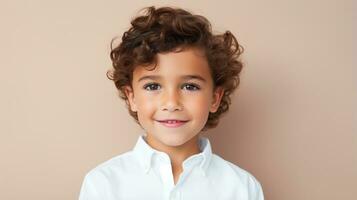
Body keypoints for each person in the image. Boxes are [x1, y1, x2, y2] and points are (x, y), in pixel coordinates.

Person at [79, 5, 264, 200]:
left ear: (214, 98)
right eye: (152, 86)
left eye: (190, 87)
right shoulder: (102, 184)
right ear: (132, 97)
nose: (171, 103)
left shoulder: (242, 188)